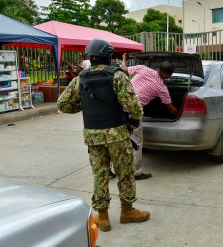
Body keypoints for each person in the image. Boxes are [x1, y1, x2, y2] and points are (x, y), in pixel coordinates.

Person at [57, 39, 150, 232]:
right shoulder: (117, 76)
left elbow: (62, 104)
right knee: (124, 173)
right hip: (116, 133)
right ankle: (127, 211)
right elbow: (133, 105)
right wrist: (134, 119)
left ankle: (103, 217)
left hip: (92, 136)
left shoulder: (80, 78)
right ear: (107, 55)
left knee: (100, 174)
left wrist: (84, 106)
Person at [121, 53, 179, 180]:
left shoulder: (142, 68)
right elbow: (170, 107)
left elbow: (124, 69)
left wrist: (124, 59)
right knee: (137, 142)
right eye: (170, 75)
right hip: (134, 111)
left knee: (118, 139)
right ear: (165, 74)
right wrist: (179, 114)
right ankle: (136, 172)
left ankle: (112, 170)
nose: (170, 77)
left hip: (120, 106)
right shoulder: (161, 88)